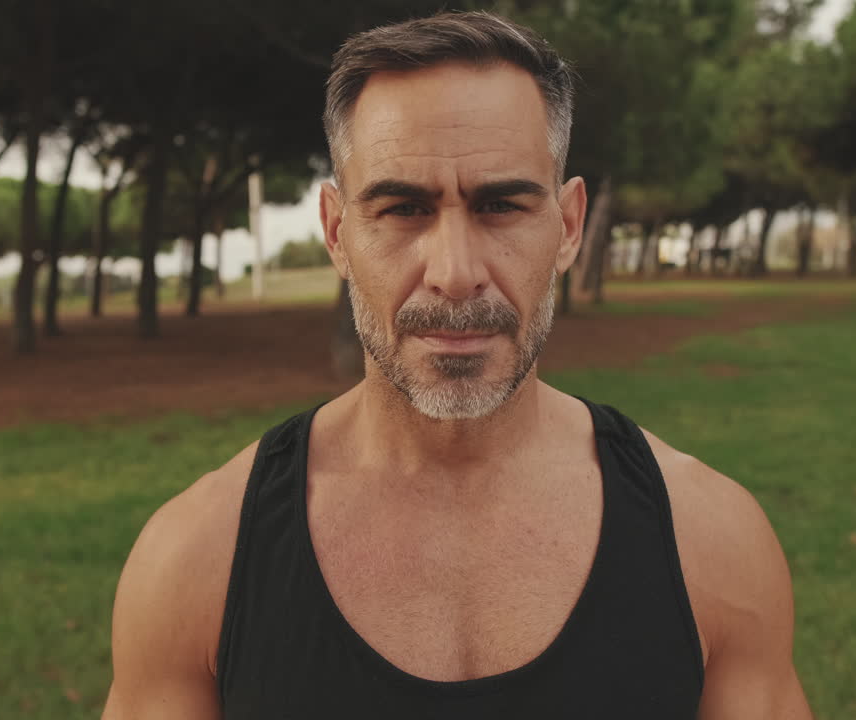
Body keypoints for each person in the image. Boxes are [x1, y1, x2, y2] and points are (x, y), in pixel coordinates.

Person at [102, 10, 813, 719]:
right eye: (403, 208)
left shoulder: (710, 543)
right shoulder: (198, 560)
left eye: (500, 205)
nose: (455, 273)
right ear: (336, 233)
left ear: (567, 227)